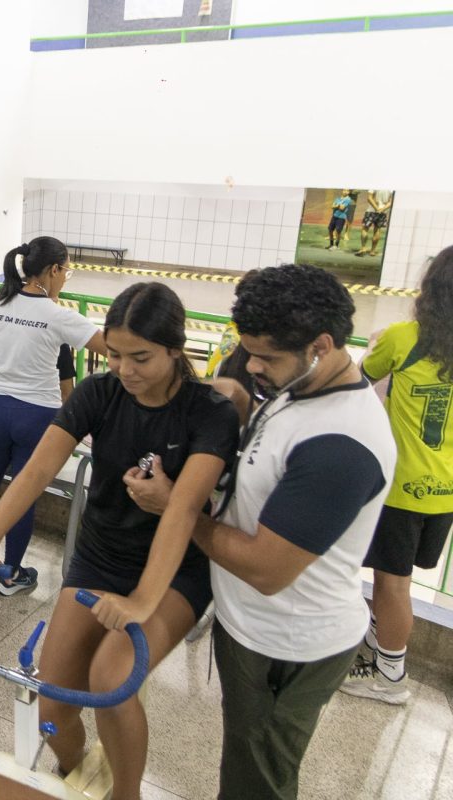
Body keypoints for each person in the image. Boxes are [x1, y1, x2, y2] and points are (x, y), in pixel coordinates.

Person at [0, 282, 239, 800]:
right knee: (54, 703)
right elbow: (37, 469)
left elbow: (181, 513)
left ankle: (125, 794)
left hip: (174, 569)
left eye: (141, 358)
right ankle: (77, 770)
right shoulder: (99, 393)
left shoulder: (209, 414)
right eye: (113, 355)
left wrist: (141, 601)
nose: (125, 370)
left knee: (110, 681)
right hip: (101, 553)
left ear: (176, 350)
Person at [171, 264, 395, 800]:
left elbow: (267, 569)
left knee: (258, 779)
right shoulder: (305, 386)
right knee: (247, 763)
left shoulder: (342, 443)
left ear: (321, 345)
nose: (252, 364)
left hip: (285, 644)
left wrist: (175, 509)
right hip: (256, 627)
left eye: (265, 356)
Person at [0, 238, 106, 590]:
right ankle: (10, 575)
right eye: (66, 271)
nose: (65, 279)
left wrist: (6, 369)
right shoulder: (59, 315)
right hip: (38, 415)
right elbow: (109, 347)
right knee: (23, 491)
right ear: (53, 270)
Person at [342, 247, 453, 706]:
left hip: (402, 488)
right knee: (398, 582)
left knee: (392, 585)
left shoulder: (404, 337)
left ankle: (390, 673)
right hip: (445, 490)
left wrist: (374, 344)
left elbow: (355, 379)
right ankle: (376, 645)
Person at [356, 189, 393, 257]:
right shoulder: (391, 187)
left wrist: (376, 208)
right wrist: (382, 209)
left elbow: (369, 198)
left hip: (371, 210)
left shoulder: (375, 184)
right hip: (383, 212)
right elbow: (391, 202)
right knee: (377, 230)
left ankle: (363, 248)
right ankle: (372, 251)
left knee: (365, 228)